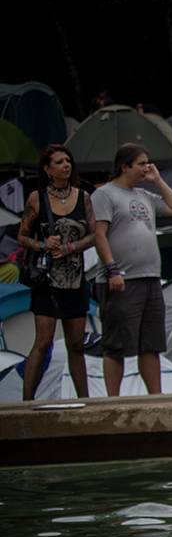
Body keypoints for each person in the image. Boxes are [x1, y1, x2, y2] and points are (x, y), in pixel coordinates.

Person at [92, 144, 172, 396]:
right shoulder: (105, 194)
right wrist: (112, 270)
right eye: (142, 163)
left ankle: (156, 397)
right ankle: (113, 399)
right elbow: (99, 234)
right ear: (125, 166)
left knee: (150, 344)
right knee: (116, 344)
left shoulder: (145, 194)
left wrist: (159, 180)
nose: (147, 167)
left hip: (150, 277)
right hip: (121, 278)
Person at [18, 144, 96, 400]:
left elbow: (96, 235)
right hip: (47, 280)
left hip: (75, 278)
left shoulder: (83, 196)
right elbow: (22, 236)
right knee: (43, 341)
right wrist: (43, 244)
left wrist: (72, 246)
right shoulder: (36, 198)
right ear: (47, 169)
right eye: (60, 162)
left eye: (68, 161)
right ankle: (27, 400)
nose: (66, 165)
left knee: (76, 344)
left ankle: (84, 399)